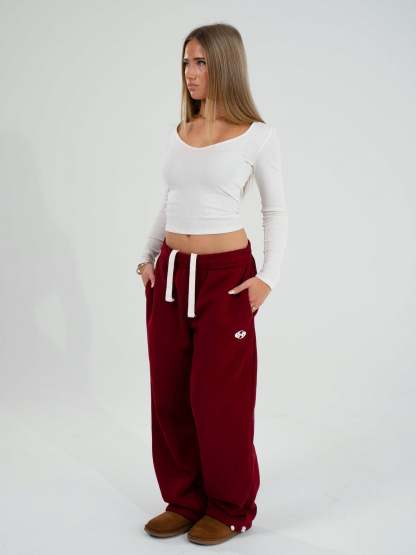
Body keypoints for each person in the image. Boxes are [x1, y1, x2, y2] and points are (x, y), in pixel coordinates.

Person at [136, 23, 288, 546]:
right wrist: (147, 256)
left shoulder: (257, 136)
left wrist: (267, 278)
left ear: (224, 65)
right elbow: (171, 200)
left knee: (218, 399)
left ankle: (229, 508)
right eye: (186, 62)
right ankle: (184, 500)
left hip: (226, 280)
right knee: (170, 394)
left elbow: (275, 211)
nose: (190, 73)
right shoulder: (180, 132)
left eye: (200, 62)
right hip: (171, 276)